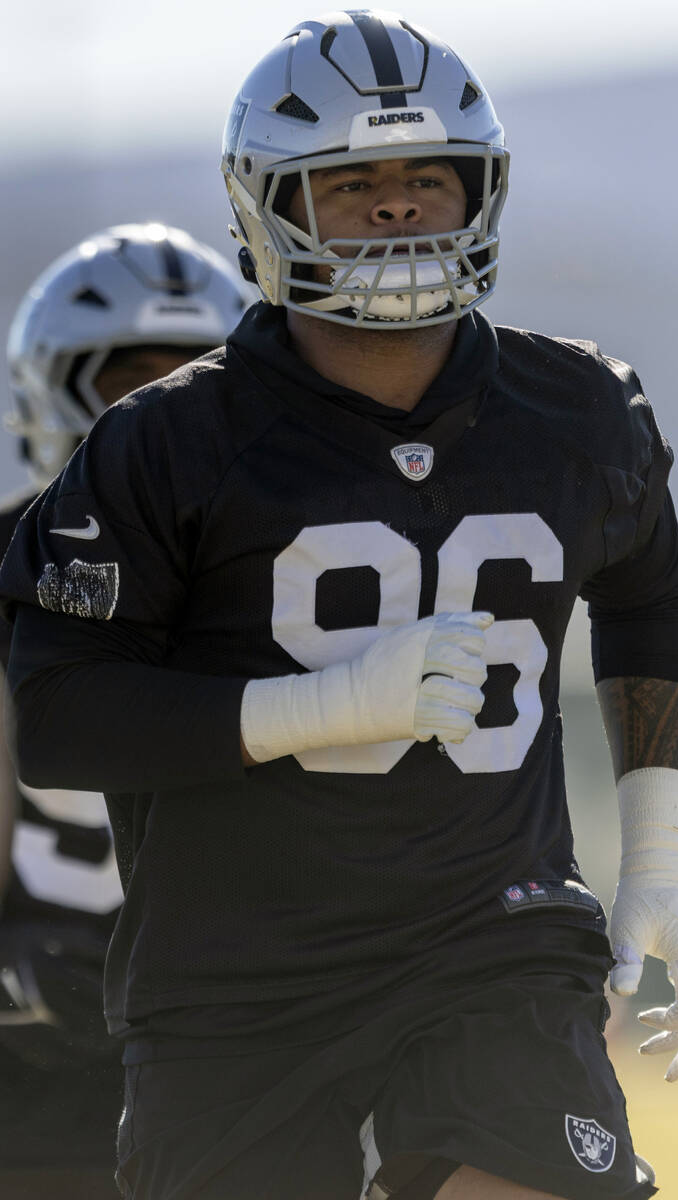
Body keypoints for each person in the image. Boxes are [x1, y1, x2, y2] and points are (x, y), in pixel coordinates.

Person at [0, 12, 678, 1200]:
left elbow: (647, 596)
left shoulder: (579, 406)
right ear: (266, 205)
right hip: (236, 976)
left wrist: (661, 859)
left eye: (426, 176)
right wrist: (326, 706)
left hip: (490, 938)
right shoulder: (163, 443)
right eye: (351, 184)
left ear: (480, 190)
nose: (396, 206)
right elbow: (61, 718)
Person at [0, 222, 248, 1199]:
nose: (161, 412)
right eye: (131, 382)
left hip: (248, 1075)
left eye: (194, 381)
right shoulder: (11, 568)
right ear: (52, 389)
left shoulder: (298, 576)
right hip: (29, 1095)